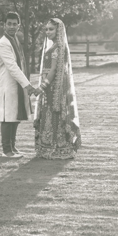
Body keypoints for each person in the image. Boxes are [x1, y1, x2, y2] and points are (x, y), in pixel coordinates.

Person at [34, 18, 81, 159]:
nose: (48, 32)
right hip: (50, 86)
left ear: (58, 30)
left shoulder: (59, 47)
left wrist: (42, 86)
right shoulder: (55, 45)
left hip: (54, 87)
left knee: (54, 114)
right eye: (46, 29)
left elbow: (54, 70)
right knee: (49, 114)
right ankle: (49, 146)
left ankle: (57, 148)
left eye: (51, 29)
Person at [0, 12, 40, 158]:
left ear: (19, 26)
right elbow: (13, 67)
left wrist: (25, 85)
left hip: (18, 85)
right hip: (9, 85)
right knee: (8, 118)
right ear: (4, 25)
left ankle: (13, 148)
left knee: (14, 117)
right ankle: (6, 150)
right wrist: (28, 85)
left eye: (15, 24)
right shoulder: (3, 43)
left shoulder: (14, 41)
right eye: (9, 23)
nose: (12, 26)